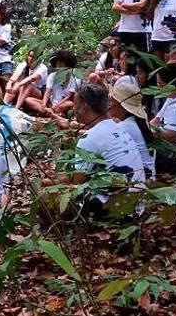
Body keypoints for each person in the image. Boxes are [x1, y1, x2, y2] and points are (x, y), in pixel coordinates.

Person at [72, 83, 146, 215]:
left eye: (75, 104)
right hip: (138, 204)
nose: (73, 108)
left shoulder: (89, 138)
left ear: (84, 107)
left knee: (52, 197)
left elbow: (76, 185)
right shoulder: (118, 126)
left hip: (117, 210)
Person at [108, 82, 156, 180]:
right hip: (148, 172)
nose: (109, 105)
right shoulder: (135, 121)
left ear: (121, 105)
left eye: (112, 101)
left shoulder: (126, 126)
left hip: (142, 176)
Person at [4, 48, 48, 114]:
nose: (31, 59)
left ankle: (16, 109)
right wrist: (9, 83)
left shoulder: (43, 68)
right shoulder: (23, 65)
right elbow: (15, 75)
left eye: (34, 57)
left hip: (39, 93)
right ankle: (4, 104)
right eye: (30, 56)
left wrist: (19, 85)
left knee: (27, 84)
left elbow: (32, 78)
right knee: (15, 84)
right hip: (23, 91)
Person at [42, 50, 81, 118]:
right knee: (29, 100)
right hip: (51, 104)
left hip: (64, 104)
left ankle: (52, 113)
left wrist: (56, 106)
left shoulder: (75, 77)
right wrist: (44, 104)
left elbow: (68, 96)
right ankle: (54, 114)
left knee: (69, 104)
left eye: (60, 63)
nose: (58, 66)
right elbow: (47, 92)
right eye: (57, 63)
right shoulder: (52, 76)